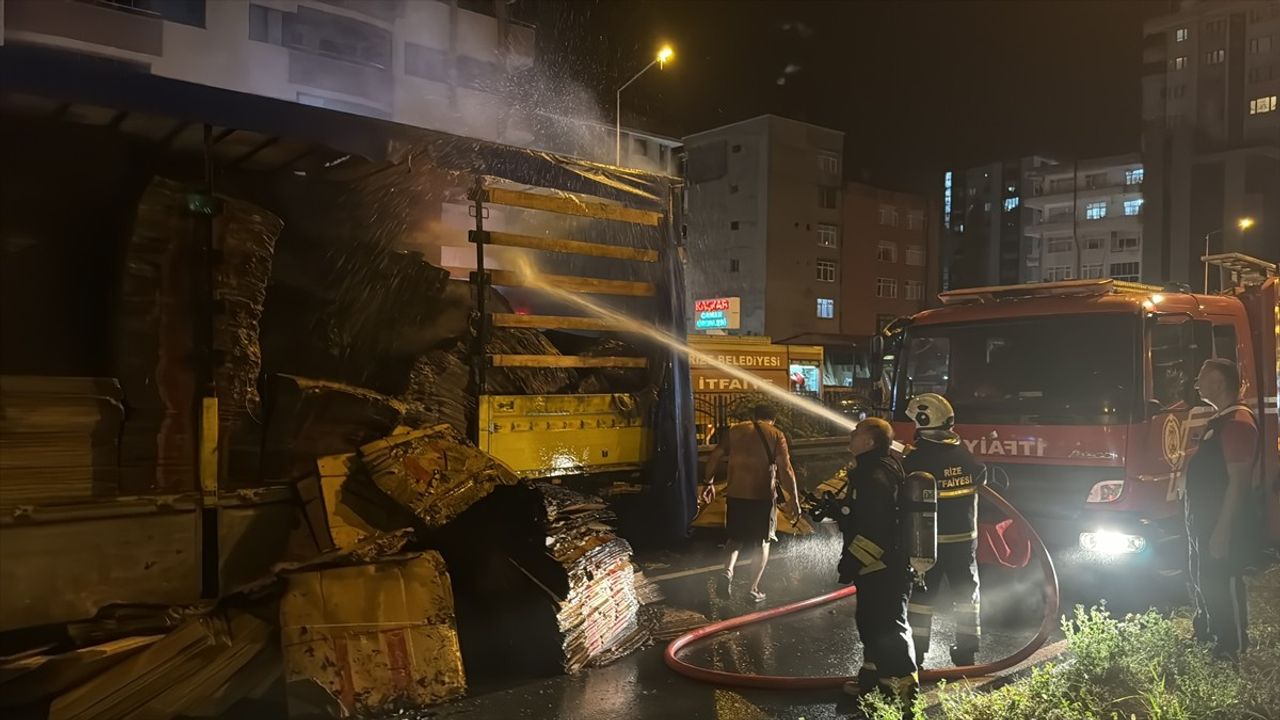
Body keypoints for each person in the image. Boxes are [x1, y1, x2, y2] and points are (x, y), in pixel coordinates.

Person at [837, 417, 918, 710]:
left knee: (888, 628)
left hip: (883, 566)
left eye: (857, 432)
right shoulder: (879, 468)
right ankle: (872, 683)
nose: (852, 435)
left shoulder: (873, 476)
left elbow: (876, 528)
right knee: (870, 624)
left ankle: (904, 697)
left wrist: (851, 561)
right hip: (879, 566)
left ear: (870, 442)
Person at [902, 393, 986, 668]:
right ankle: (967, 650)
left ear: (923, 420)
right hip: (964, 542)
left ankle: (917, 652)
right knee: (966, 595)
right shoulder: (963, 452)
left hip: (929, 543)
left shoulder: (916, 459)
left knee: (922, 598)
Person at [1186, 358, 1259, 659]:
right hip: (1203, 518)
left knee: (1223, 581)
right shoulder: (1220, 421)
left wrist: (1222, 530)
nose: (1196, 383)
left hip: (1219, 519)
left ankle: (1231, 646)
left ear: (1218, 383)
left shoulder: (1238, 423)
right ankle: (1209, 633)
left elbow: (1238, 482)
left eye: (1201, 377)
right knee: (1205, 578)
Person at [701, 403, 800, 604]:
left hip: (736, 494)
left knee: (735, 538)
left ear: (754, 416)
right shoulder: (776, 434)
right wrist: (794, 499)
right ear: (773, 419)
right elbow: (786, 469)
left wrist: (708, 482)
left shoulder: (735, 431)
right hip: (762, 497)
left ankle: (727, 572)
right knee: (762, 543)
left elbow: (716, 455)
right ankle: (752, 589)